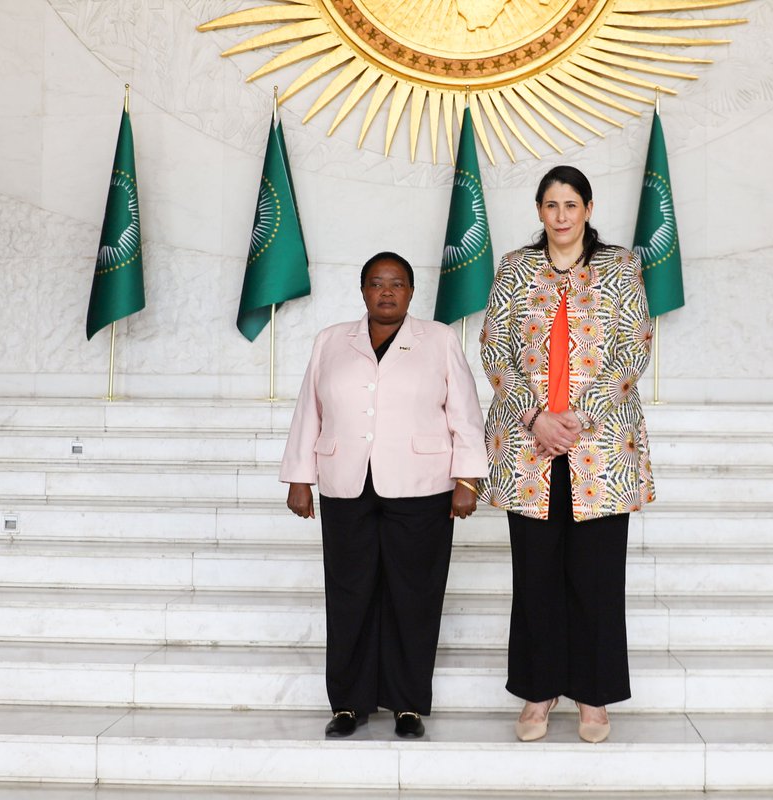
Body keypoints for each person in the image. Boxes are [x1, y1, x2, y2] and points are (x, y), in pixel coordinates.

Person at [479, 165, 654, 744]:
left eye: (571, 205)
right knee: (535, 575)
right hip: (528, 449)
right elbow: (494, 347)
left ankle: (593, 696)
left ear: (588, 208)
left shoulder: (621, 267)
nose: (561, 216)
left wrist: (577, 418)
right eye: (551, 205)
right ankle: (538, 690)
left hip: (599, 450)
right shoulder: (514, 268)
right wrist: (535, 417)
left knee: (596, 577)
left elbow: (635, 346)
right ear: (538, 211)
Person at [280, 251, 488, 739]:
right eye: (376, 283)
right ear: (363, 291)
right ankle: (349, 703)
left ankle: (407, 703)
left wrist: (467, 479)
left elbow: (465, 411)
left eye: (397, 283)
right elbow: (309, 410)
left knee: (413, 595)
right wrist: (299, 476)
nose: (387, 291)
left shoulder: (438, 340)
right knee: (350, 592)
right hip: (344, 483)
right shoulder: (331, 341)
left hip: (422, 484)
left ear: (412, 292)